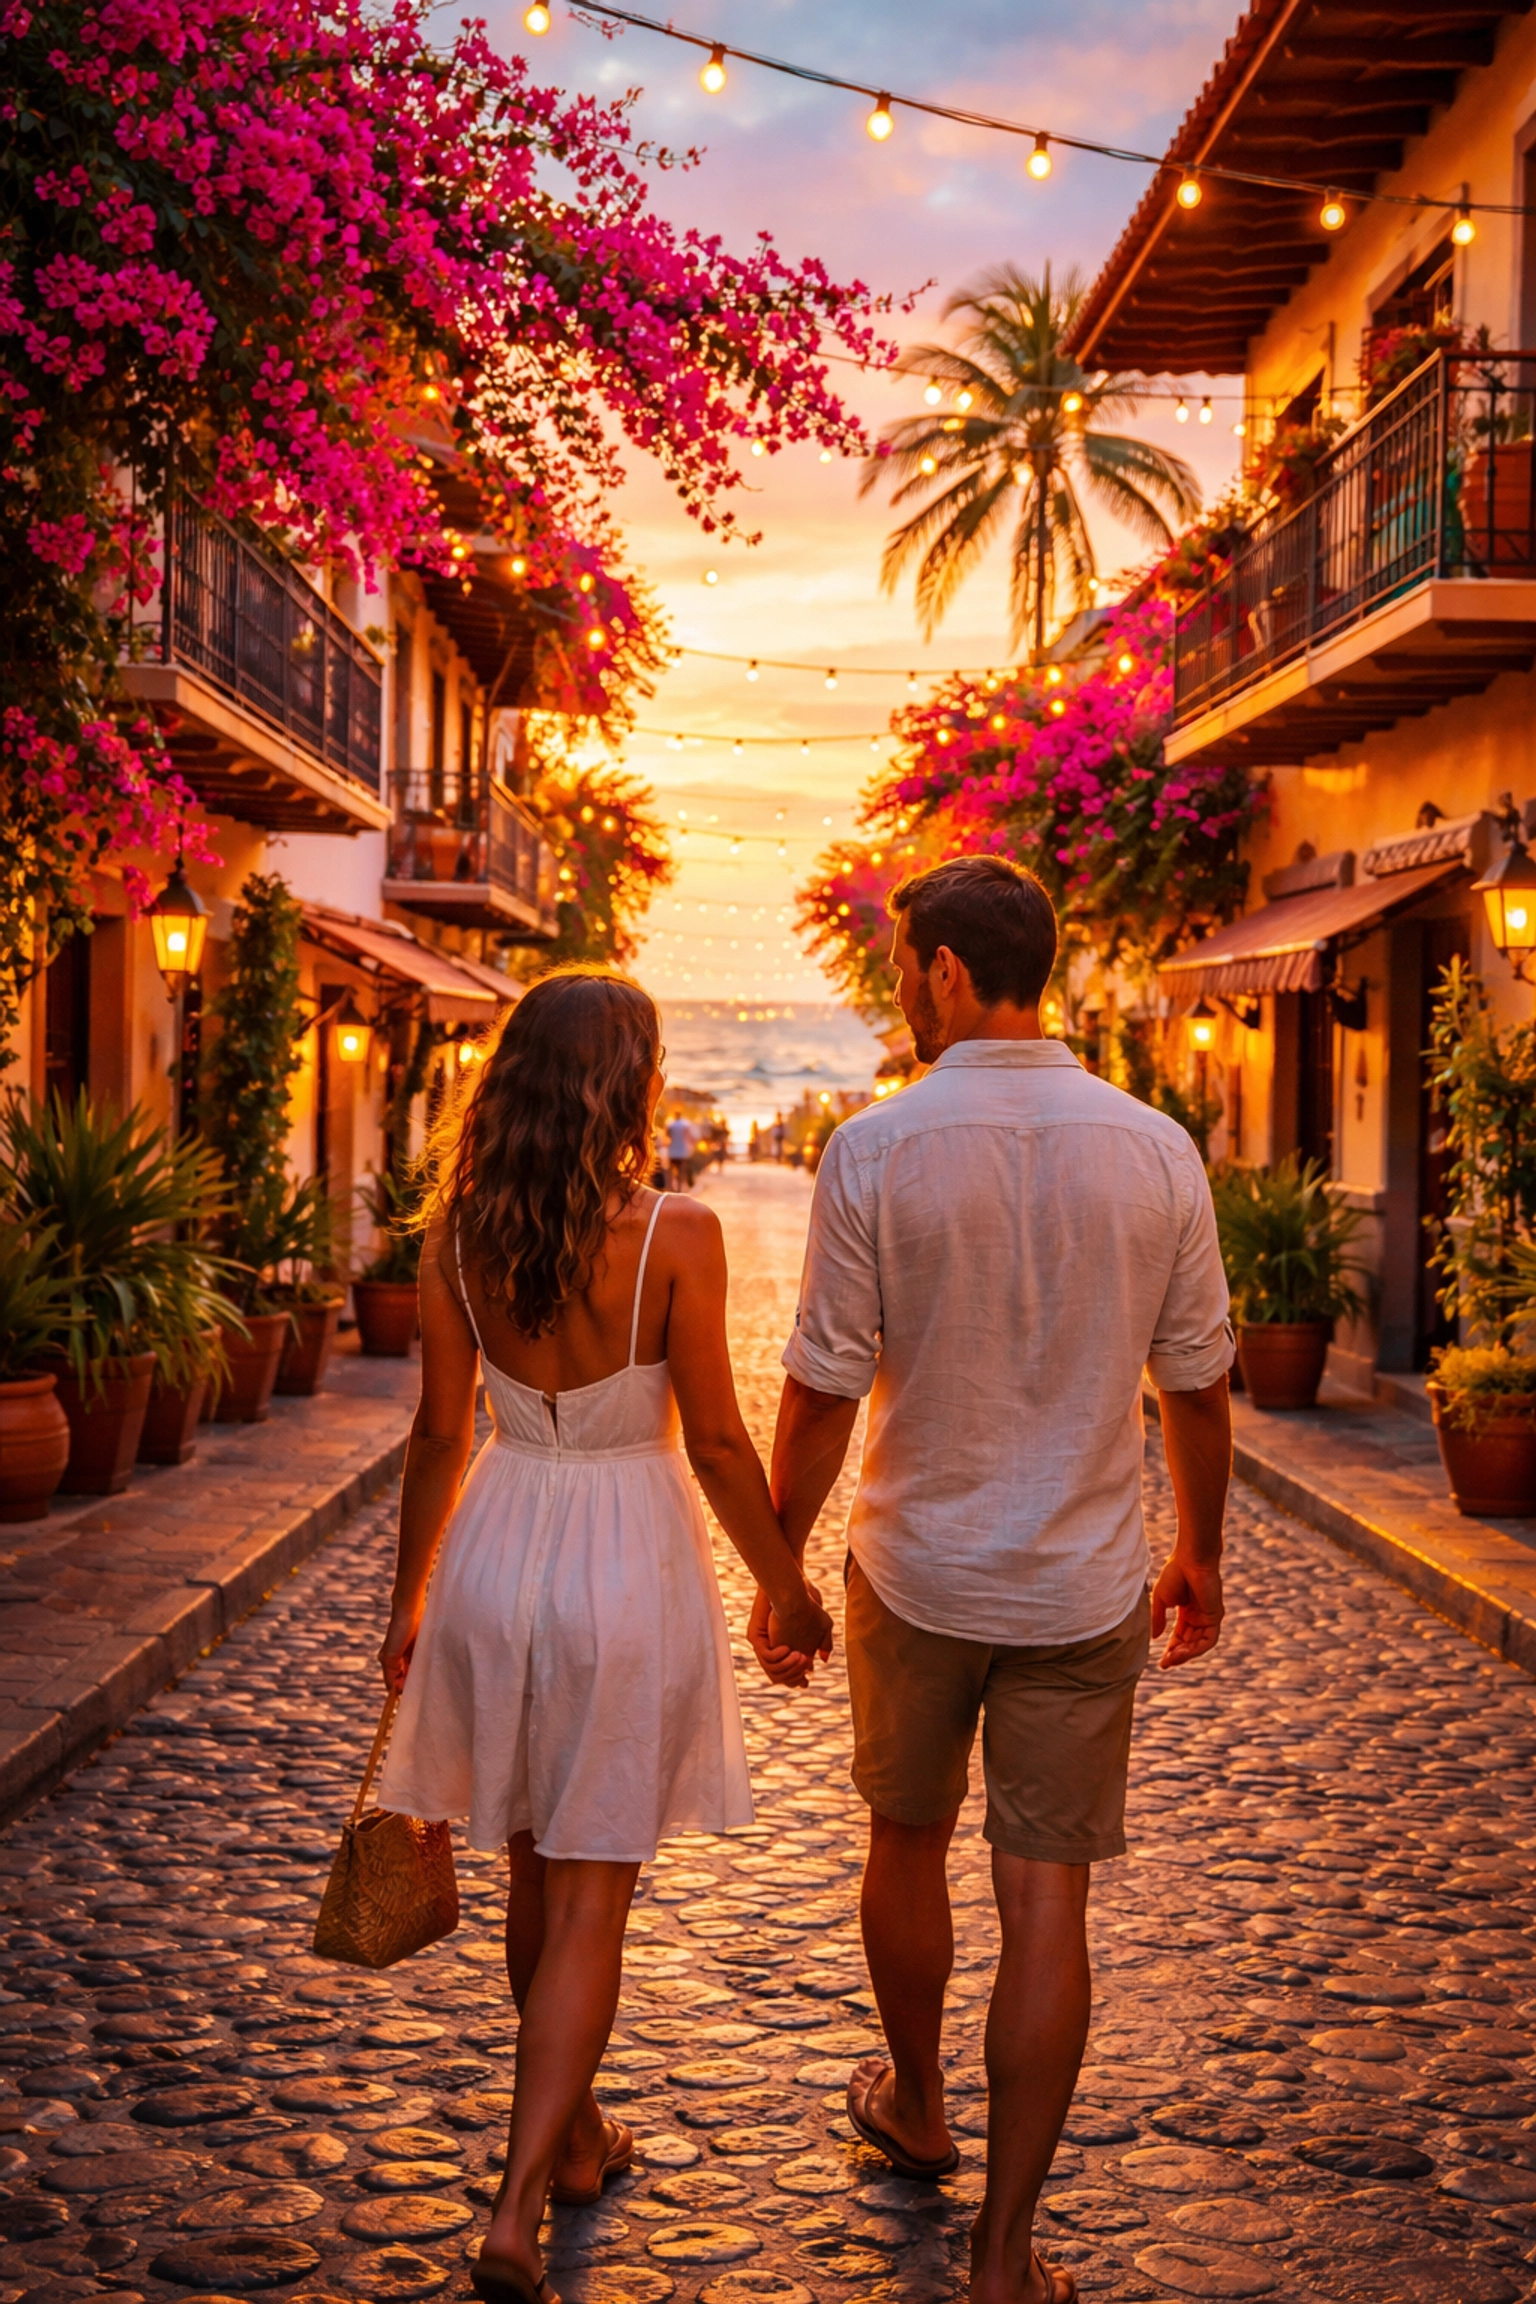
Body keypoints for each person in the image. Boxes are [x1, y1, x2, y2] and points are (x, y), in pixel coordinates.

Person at [753, 856, 1233, 2304]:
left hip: (916, 1566)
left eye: (906, 968)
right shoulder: (1156, 1148)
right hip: (1083, 1585)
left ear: (950, 972)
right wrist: (1196, 1549)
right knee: (1049, 1906)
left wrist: (781, 1568)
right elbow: (1199, 1387)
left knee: (905, 1843)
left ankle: (915, 2100)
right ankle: (1007, 2254)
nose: (903, 993)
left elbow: (824, 1390)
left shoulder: (878, 1148)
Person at [375, 971, 831, 2304]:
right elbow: (725, 1441)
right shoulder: (675, 1231)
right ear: (626, 1088)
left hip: (500, 1549)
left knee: (534, 1869)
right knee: (591, 1892)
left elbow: (437, 1437)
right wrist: (787, 1589)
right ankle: (517, 2202)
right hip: (626, 1556)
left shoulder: (458, 1231)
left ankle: (573, 2143)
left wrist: (410, 1603)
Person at [665, 1109, 696, 1191]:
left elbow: (667, 1135)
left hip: (672, 1150)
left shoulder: (670, 1124)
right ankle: (679, 1188)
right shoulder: (685, 1125)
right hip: (682, 1151)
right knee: (681, 1171)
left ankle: (670, 1187)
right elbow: (690, 1137)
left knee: (671, 1170)